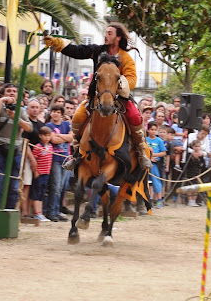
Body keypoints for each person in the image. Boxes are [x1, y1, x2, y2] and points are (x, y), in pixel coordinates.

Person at [43, 23, 151, 169]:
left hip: (119, 98)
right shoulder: (97, 51)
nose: (105, 36)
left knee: (135, 117)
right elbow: (78, 51)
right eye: (105, 33)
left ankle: (141, 152)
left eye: (110, 33)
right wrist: (58, 43)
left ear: (118, 37)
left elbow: (132, 78)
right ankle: (76, 153)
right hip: (96, 98)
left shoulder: (125, 58)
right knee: (78, 116)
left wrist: (122, 85)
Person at [0, 83, 32, 210]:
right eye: (8, 91)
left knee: (13, 186)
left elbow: (29, 128)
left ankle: (9, 214)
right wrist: (1, 101)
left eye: (14, 91)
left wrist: (17, 119)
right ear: (3, 93)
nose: (12, 93)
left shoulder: (21, 111)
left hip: (15, 151)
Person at [31, 126, 54, 221]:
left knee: (42, 193)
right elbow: (33, 160)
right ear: (40, 136)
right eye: (45, 135)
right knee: (37, 192)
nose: (47, 138)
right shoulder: (38, 147)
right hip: (39, 173)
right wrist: (35, 172)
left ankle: (40, 212)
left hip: (46, 173)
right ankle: (37, 212)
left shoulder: (51, 147)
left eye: (49, 135)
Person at [145, 122, 167, 209]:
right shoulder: (145, 140)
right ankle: (148, 200)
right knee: (146, 182)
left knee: (156, 181)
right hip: (146, 163)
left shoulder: (159, 140)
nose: (153, 132)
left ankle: (159, 200)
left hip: (155, 164)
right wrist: (149, 157)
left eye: (155, 130)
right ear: (148, 130)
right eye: (152, 129)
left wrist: (154, 155)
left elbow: (163, 152)